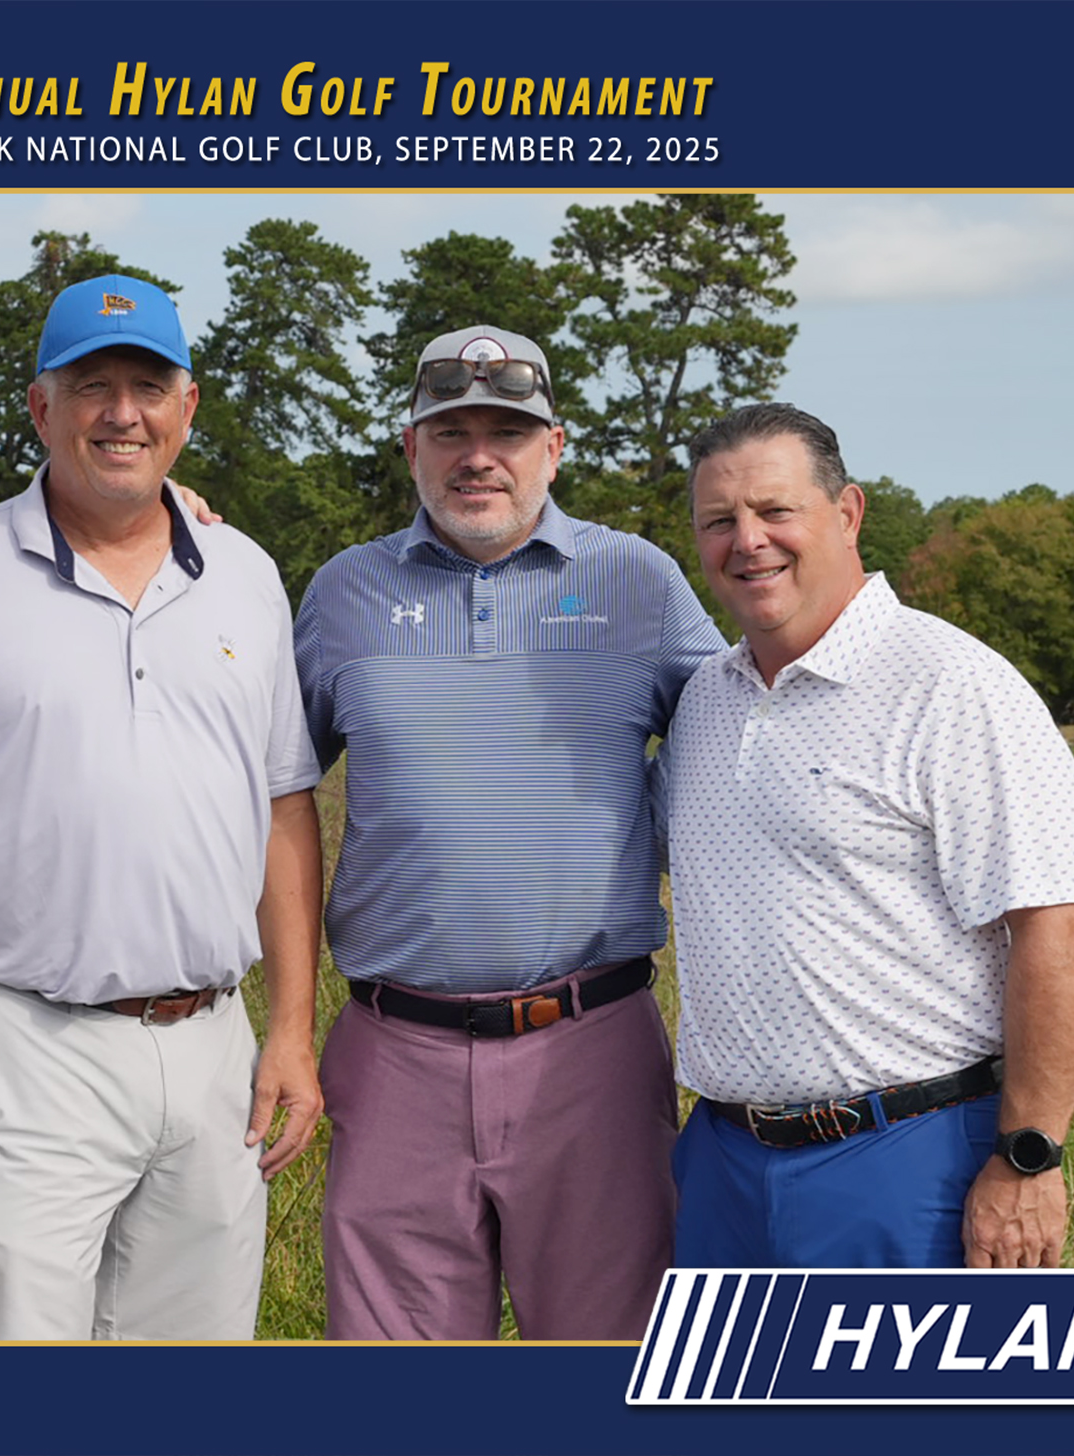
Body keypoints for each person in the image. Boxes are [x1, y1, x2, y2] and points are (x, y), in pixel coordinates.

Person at [0, 273, 324, 1340]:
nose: (122, 414)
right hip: (29, 1042)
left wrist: (292, 1030)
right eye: (90, 387)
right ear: (39, 406)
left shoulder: (246, 574)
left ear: (186, 407)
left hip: (214, 1043)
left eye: (148, 387)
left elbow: (286, 808)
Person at [293, 325, 724, 1339]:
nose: (477, 457)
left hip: (590, 1046)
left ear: (554, 448)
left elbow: (743, 726)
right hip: (393, 1049)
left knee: (608, 1357)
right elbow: (267, 795)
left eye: (508, 433)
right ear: (411, 447)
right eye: (450, 432)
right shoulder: (342, 592)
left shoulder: (637, 580)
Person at [665, 402, 1074, 1269]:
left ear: (848, 512)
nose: (748, 541)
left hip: (907, 1155)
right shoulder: (705, 701)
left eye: (776, 510)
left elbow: (1059, 925)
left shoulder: (953, 686)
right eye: (719, 521)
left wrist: (1029, 1157)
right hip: (722, 1161)